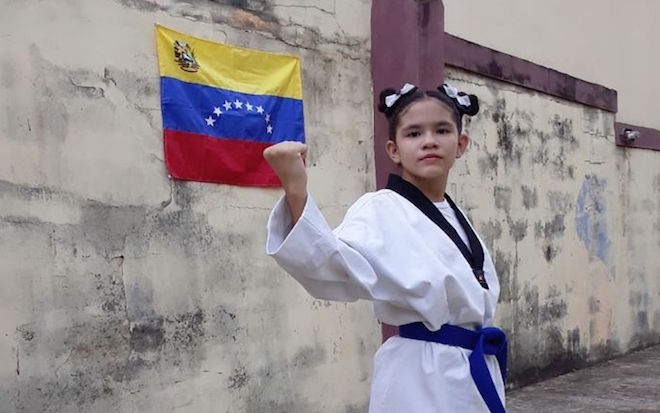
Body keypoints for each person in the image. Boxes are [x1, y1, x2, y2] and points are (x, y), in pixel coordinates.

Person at [263, 82, 507, 413]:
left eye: (442, 130)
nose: (429, 141)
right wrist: (296, 188)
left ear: (461, 143)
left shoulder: (455, 215)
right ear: (393, 149)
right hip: (422, 377)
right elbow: (331, 263)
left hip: (472, 369)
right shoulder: (381, 209)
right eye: (414, 133)